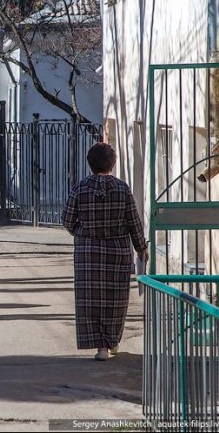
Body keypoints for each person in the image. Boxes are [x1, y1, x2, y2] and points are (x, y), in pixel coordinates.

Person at [61, 142, 148, 361]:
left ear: (89, 164)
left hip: (87, 252)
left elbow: (67, 220)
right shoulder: (122, 188)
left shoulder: (79, 187)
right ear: (113, 164)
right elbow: (133, 221)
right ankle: (113, 341)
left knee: (90, 299)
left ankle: (100, 346)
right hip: (117, 251)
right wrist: (141, 249)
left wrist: (82, 234)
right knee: (115, 299)